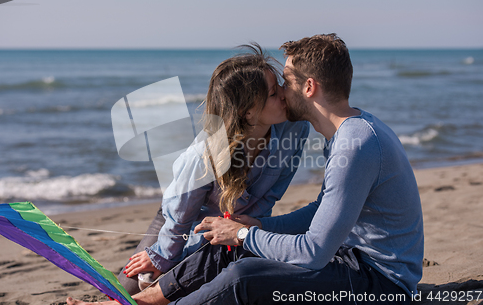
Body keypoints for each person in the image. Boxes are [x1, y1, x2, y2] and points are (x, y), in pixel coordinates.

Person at [67, 33, 423, 305]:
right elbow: (323, 210)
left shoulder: (353, 142)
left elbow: (314, 251)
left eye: (287, 81)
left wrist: (242, 235)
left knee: (243, 274)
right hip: (351, 258)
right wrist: (255, 228)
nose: (283, 90)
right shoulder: (347, 134)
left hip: (381, 283)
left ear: (310, 87)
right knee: (236, 248)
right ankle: (139, 301)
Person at [69, 44, 309, 304]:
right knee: (129, 289)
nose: (285, 96)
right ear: (247, 111)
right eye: (274, 93)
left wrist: (243, 228)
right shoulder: (203, 155)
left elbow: (271, 195)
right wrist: (163, 256)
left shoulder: (295, 130)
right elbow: (181, 216)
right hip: (180, 220)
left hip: (237, 224)